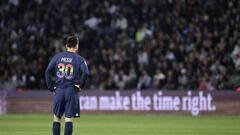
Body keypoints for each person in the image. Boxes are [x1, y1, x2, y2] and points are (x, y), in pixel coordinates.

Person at [45, 35, 89, 135]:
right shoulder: (79, 59)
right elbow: (85, 73)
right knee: (68, 119)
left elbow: (47, 71)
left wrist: (51, 87)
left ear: (66, 45)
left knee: (56, 118)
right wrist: (81, 85)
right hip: (71, 90)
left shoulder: (57, 57)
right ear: (77, 46)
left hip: (59, 90)